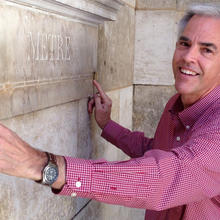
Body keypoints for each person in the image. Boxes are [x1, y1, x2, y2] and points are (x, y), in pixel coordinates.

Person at [1, 2, 220, 219]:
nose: (189, 57)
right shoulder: (176, 104)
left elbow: (168, 176)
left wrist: (42, 165)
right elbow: (157, 151)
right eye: (184, 43)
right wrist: (108, 125)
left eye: (207, 50)